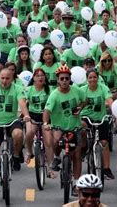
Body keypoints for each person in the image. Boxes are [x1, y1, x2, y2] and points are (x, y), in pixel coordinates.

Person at [43, 65, 88, 196]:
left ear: (70, 79)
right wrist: (46, 123)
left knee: (76, 155)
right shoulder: (54, 95)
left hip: (75, 127)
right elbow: (47, 111)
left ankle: (76, 184)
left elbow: (85, 100)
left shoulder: (76, 91)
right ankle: (57, 157)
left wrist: (80, 107)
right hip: (60, 127)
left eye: (66, 78)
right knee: (56, 140)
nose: (64, 81)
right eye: (61, 78)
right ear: (58, 80)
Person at [80, 69, 115, 180]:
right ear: (87, 79)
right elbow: (77, 103)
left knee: (104, 142)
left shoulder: (103, 88)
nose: (93, 79)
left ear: (98, 78)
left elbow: (110, 101)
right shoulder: (82, 90)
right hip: (86, 118)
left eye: (95, 77)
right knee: (83, 126)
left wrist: (115, 110)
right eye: (90, 77)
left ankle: (107, 168)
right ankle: (84, 147)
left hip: (101, 118)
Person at [23, 68, 54, 174]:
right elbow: (23, 103)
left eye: (42, 75)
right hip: (32, 116)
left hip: (46, 116)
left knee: (48, 142)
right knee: (29, 133)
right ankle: (29, 151)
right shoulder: (29, 90)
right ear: (34, 78)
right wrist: (24, 115)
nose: (40, 77)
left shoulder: (50, 90)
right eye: (37, 76)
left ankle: (50, 167)